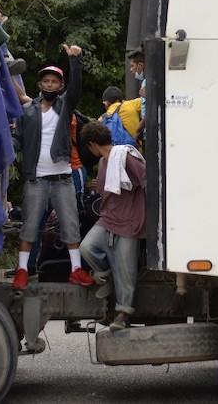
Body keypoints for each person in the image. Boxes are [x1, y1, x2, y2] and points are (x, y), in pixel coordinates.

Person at [11, 45, 95, 291]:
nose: (49, 84)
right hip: (36, 179)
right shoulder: (28, 110)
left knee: (70, 225)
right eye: (45, 81)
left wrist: (75, 60)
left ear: (60, 86)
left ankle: (76, 270)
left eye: (54, 81)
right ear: (39, 85)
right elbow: (19, 140)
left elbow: (76, 88)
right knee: (30, 226)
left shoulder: (65, 106)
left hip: (63, 179)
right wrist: (8, 150)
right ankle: (23, 271)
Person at [79, 120, 147, 330]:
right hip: (108, 218)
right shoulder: (103, 163)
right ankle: (106, 276)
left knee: (126, 270)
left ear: (92, 144)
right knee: (87, 247)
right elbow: (103, 190)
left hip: (129, 219)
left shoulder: (125, 157)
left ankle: (123, 314)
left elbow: (146, 180)